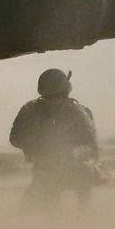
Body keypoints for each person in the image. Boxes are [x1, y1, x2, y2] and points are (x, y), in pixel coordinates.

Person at [9, 68, 102, 209]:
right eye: (49, 97)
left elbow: (92, 143)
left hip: (75, 168)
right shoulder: (30, 111)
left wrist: (74, 150)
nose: (54, 101)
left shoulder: (78, 111)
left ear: (65, 93)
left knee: (84, 201)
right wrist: (35, 144)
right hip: (45, 170)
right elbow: (15, 138)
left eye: (58, 96)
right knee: (30, 210)